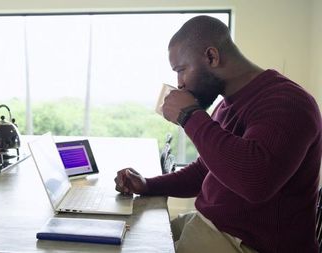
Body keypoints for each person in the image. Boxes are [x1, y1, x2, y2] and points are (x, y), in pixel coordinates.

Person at [114, 15, 321, 253]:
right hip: (211, 225)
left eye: (181, 70)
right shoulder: (226, 105)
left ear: (212, 57)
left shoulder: (288, 103)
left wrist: (189, 115)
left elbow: (255, 183)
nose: (179, 83)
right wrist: (148, 185)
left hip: (247, 243)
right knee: (127, 237)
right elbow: (206, 170)